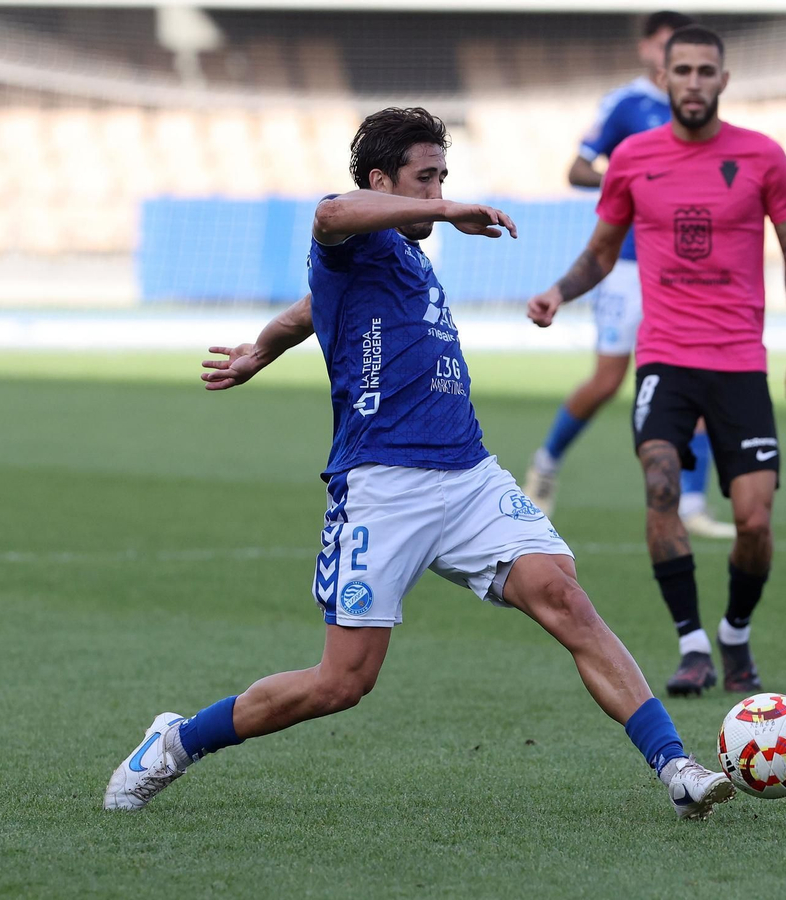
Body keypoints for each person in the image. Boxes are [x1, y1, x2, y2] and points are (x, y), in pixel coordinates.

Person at [103, 107, 735, 821]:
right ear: (383, 181)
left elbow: (312, 312)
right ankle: (178, 741)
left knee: (565, 598)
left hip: (468, 476)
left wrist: (263, 347)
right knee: (341, 683)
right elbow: (331, 211)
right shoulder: (349, 239)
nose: (438, 191)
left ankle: (676, 767)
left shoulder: (401, 258)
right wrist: (449, 207)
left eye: (444, 177)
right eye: (424, 178)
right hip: (382, 486)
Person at [528, 26, 786, 697]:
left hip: (741, 361)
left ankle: (735, 633)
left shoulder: (763, 156)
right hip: (665, 358)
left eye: (704, 71)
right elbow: (603, 251)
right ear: (664, 78)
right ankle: (691, 644)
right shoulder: (632, 157)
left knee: (754, 519)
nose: (692, 81)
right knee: (660, 487)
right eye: (681, 70)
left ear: (723, 79)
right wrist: (558, 292)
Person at [524, 11, 735, 541]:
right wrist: (630, 184)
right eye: (668, 48)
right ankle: (545, 464)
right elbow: (577, 169)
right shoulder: (626, 105)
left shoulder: (695, 109)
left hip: (682, 271)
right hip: (623, 267)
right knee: (607, 381)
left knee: (699, 379)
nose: (680, 65)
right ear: (648, 50)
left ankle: (691, 503)